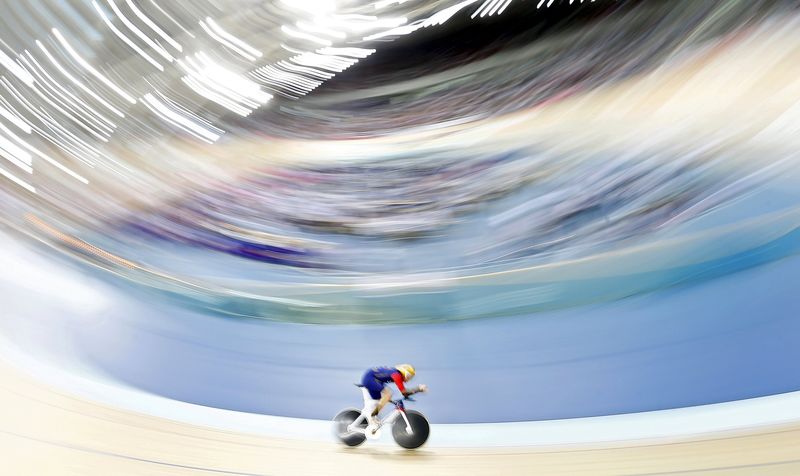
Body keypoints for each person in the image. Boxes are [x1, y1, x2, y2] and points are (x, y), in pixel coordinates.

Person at [350, 364, 427, 432]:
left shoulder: (396, 373)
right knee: (388, 394)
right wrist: (418, 389)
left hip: (373, 379)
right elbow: (404, 392)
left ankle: (372, 416)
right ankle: (372, 416)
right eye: (410, 376)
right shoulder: (397, 375)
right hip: (370, 379)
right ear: (405, 373)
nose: (409, 379)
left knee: (379, 400)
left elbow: (404, 393)